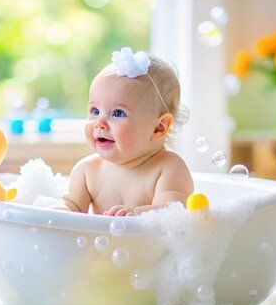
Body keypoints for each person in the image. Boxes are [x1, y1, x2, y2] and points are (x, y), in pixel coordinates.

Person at [60, 47, 193, 216]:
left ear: (159, 127)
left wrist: (137, 214)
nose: (99, 123)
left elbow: (173, 213)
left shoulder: (169, 168)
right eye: (95, 111)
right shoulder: (86, 170)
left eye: (117, 113)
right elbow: (70, 208)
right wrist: (56, 211)